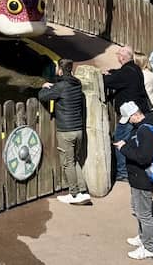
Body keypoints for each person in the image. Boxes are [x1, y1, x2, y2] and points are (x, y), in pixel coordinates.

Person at [39, 58, 91, 205]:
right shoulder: (77, 84)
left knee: (68, 163)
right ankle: (82, 191)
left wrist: (44, 86)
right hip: (78, 129)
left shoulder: (61, 86)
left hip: (66, 131)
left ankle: (74, 194)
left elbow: (42, 96)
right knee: (74, 161)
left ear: (60, 70)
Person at [114, 102, 153, 260]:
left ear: (135, 115)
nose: (129, 122)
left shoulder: (144, 131)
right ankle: (142, 237)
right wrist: (126, 144)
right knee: (138, 209)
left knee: (144, 214)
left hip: (143, 178)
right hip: (137, 177)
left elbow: (144, 157)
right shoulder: (141, 127)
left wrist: (124, 149)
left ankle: (149, 248)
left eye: (129, 118)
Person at [102, 46, 150, 181]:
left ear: (122, 57)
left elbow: (108, 81)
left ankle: (123, 172)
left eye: (118, 54)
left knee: (120, 140)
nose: (117, 56)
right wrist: (112, 72)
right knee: (131, 140)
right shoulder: (134, 68)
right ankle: (130, 169)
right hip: (138, 111)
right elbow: (119, 74)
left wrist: (104, 76)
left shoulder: (126, 73)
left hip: (130, 115)